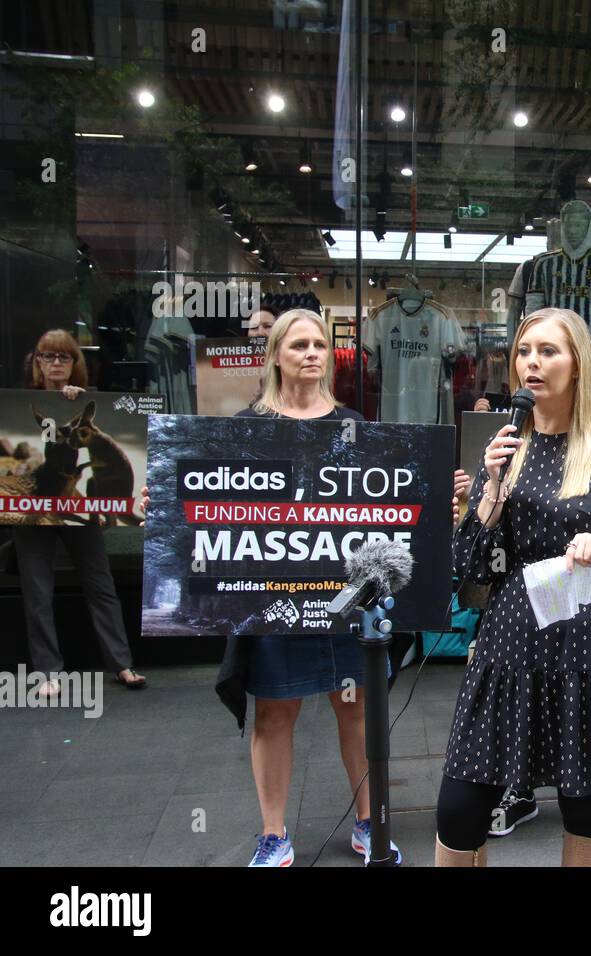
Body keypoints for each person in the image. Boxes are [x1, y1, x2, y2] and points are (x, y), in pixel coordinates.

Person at [143, 310, 460, 867]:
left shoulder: (356, 424)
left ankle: (370, 823)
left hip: (345, 602)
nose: (312, 353)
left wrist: (441, 495)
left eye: (319, 344)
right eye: (299, 345)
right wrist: (165, 505)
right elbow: (208, 504)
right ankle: (273, 835)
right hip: (271, 599)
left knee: (358, 710)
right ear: (276, 355)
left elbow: (393, 510)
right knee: (274, 713)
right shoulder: (244, 428)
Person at [434, 307, 591, 867]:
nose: (532, 363)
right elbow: (467, 567)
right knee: (460, 809)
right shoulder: (508, 448)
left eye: (548, 351)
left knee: (587, 810)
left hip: (589, 654)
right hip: (509, 647)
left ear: (579, 364)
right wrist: (486, 494)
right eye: (523, 351)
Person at [12, 329, 146, 697]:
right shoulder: (19, 402)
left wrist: (73, 400)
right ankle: (48, 672)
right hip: (36, 507)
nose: (56, 363)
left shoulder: (83, 404)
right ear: (36, 361)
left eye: (64, 357)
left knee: (100, 584)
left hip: (77, 505)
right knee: (38, 592)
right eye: (48, 356)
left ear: (75, 364)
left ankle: (121, 663)